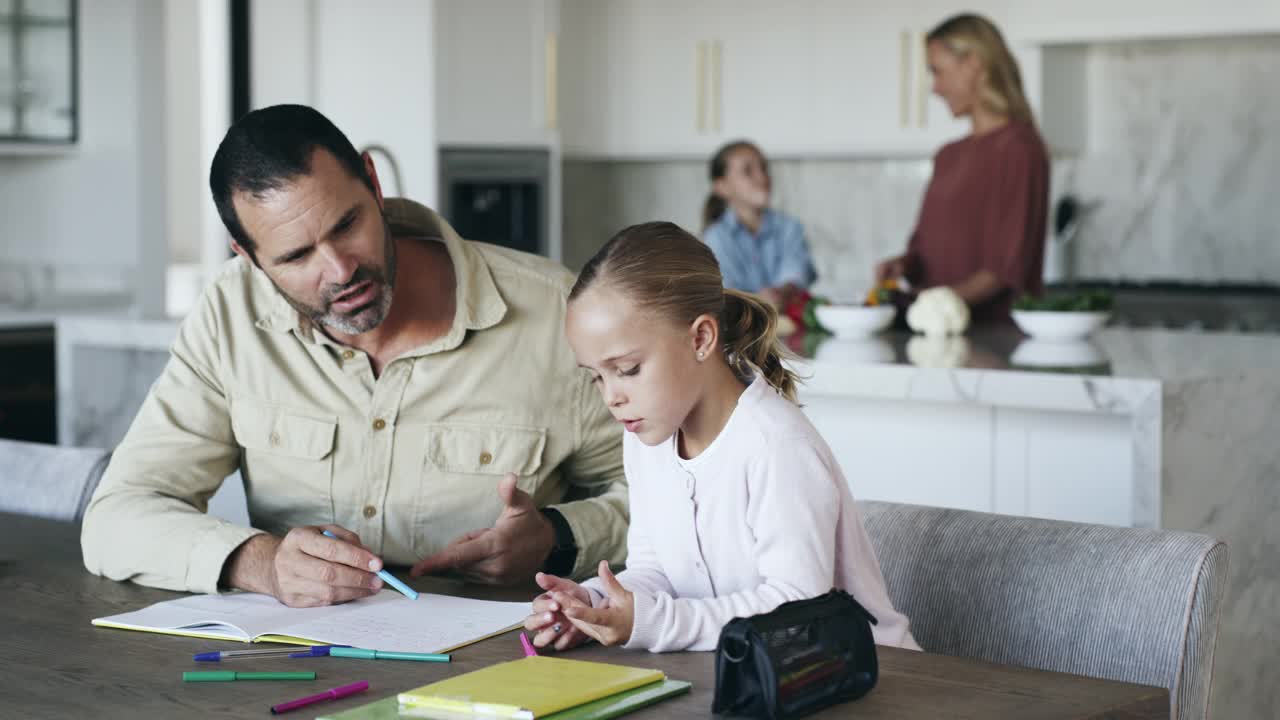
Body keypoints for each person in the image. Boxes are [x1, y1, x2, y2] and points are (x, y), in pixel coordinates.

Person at [80, 105, 629, 607]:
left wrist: (559, 538)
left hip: (508, 665)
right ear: (247, 257)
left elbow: (681, 500)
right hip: (308, 666)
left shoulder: (557, 312)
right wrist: (261, 563)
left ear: (373, 181)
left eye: (347, 225)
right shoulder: (230, 314)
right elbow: (117, 516)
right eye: (296, 256)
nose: (341, 271)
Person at [522, 221, 918, 653]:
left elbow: (797, 607)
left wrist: (656, 621)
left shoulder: (775, 445)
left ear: (701, 338)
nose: (612, 397)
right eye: (597, 377)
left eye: (628, 369)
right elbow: (658, 572)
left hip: (866, 675)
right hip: (746, 674)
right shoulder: (644, 436)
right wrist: (597, 603)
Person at [875, 14, 1049, 325]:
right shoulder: (948, 155)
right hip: (934, 338)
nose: (935, 88)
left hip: (994, 343)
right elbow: (923, 251)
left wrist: (927, 307)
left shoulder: (1020, 149)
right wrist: (903, 266)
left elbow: (1004, 270)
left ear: (974, 64)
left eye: (937, 71)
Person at [701, 140, 816, 308]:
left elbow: (797, 273)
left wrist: (782, 292)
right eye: (748, 171)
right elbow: (725, 294)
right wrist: (759, 300)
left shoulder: (790, 227)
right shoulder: (716, 237)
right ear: (722, 186)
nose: (762, 177)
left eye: (764, 168)